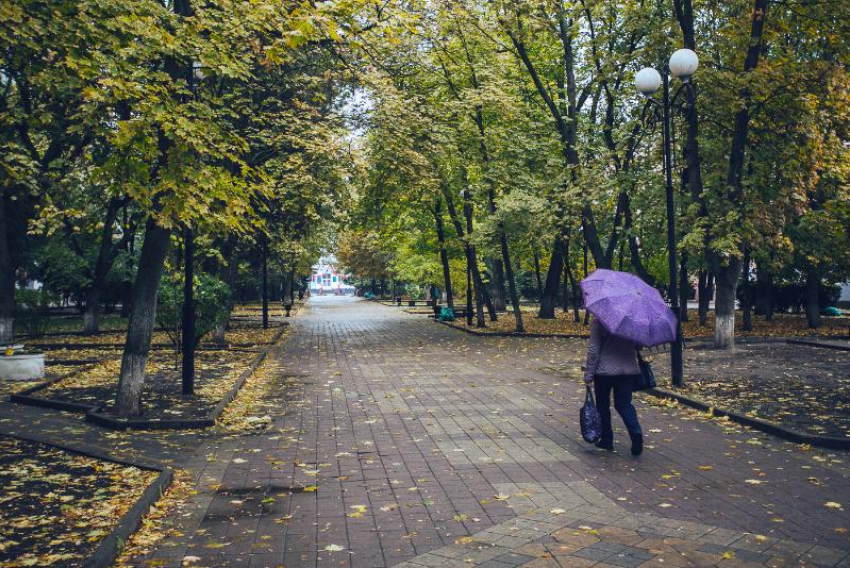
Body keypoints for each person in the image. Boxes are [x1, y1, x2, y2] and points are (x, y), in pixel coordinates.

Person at [583, 318, 643, 455]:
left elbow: (594, 349)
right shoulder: (633, 321)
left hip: (604, 371)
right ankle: (636, 432)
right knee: (624, 404)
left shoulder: (600, 321)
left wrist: (589, 374)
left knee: (602, 405)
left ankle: (606, 440)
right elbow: (639, 346)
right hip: (628, 370)